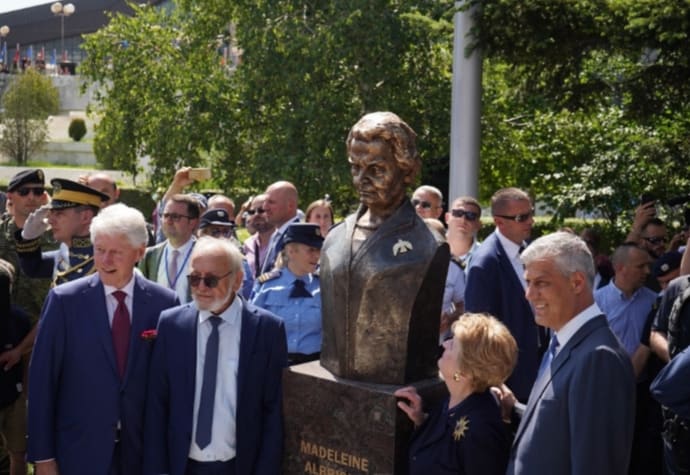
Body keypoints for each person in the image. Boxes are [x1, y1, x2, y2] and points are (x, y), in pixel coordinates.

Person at [26, 203, 179, 475]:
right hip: (78, 452)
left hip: (142, 453)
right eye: (99, 250)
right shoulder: (65, 301)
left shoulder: (164, 303)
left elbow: (171, 385)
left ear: (139, 252)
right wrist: (43, 456)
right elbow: (42, 380)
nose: (105, 260)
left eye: (116, 252)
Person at [319, 111, 449, 384]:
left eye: (376, 170)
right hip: (333, 376)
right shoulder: (335, 238)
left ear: (408, 171)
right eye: (355, 167)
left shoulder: (428, 246)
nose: (361, 180)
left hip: (397, 381)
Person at [144, 237, 287, 475]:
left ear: (237, 280)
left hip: (238, 466)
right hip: (182, 466)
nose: (201, 287)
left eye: (210, 280)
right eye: (194, 278)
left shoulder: (267, 330)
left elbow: (273, 411)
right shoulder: (171, 325)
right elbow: (157, 404)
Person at [503, 231, 635, 474]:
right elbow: (561, 425)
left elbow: (595, 465)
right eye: (528, 282)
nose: (529, 295)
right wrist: (515, 409)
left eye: (541, 283)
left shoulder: (599, 358)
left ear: (576, 283)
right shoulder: (563, 341)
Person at [395, 313, 517, 475]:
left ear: (464, 372)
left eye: (453, 345)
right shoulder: (452, 400)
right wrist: (421, 420)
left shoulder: (481, 430)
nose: (445, 344)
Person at [464, 187, 544, 402]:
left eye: (531, 213)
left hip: (537, 366)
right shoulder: (485, 264)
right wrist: (497, 383)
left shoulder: (528, 250)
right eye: (521, 217)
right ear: (499, 222)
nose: (531, 221)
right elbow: (477, 332)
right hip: (509, 378)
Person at [251, 223, 323, 365]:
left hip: (313, 366)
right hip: (273, 364)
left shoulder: (323, 286)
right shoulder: (267, 286)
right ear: (290, 251)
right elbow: (252, 327)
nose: (317, 255)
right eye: (311, 250)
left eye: (318, 249)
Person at [15, 178, 109, 286]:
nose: (50, 220)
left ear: (85, 217)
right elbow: (34, 269)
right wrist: (28, 238)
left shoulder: (105, 259)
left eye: (59, 214)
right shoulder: (65, 249)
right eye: (51, 213)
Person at [138, 194, 200, 303]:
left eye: (175, 217)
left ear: (192, 222)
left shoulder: (204, 255)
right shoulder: (150, 256)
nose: (169, 221)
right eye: (166, 215)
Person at [0, 260, 31, 475]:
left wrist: (25, 394)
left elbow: (27, 355)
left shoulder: (19, 318)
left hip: (14, 396)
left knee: (18, 453)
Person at [260, 181, 301, 273]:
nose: (265, 207)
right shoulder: (276, 234)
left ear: (290, 206)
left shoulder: (298, 238)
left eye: (271, 202)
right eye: (264, 202)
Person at [242, 194, 275, 279]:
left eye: (261, 210)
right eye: (252, 212)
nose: (256, 215)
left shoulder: (284, 242)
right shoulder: (247, 245)